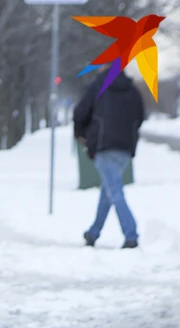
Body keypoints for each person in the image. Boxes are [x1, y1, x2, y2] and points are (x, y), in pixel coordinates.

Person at [73, 68, 146, 249]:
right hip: (125, 148)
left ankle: (131, 235)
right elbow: (141, 115)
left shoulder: (98, 85)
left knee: (114, 191)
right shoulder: (132, 89)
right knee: (108, 192)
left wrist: (81, 134)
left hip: (103, 145)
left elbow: (80, 111)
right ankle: (93, 233)